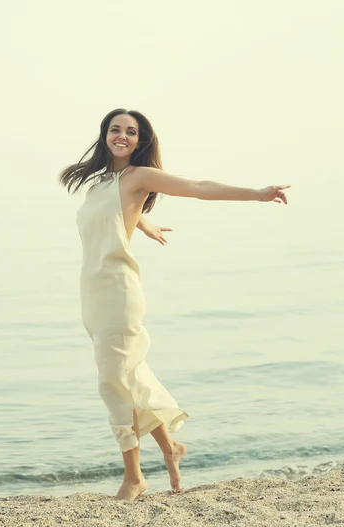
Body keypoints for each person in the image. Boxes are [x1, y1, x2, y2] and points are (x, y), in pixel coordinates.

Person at [59, 108, 289, 501]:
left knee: (111, 381)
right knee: (130, 375)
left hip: (119, 292)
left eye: (131, 132)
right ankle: (171, 448)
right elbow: (112, 218)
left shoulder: (140, 177)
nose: (122, 136)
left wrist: (257, 194)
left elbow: (198, 186)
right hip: (92, 295)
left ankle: (134, 477)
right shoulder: (100, 183)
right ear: (105, 135)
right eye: (116, 130)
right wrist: (141, 224)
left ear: (140, 140)